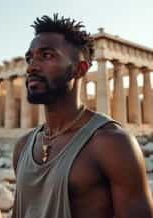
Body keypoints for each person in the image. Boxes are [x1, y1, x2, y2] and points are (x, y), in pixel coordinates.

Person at [12, 14, 153, 218]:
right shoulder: (23, 146)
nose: (31, 66)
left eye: (47, 55)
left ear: (80, 69)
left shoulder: (112, 144)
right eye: (30, 58)